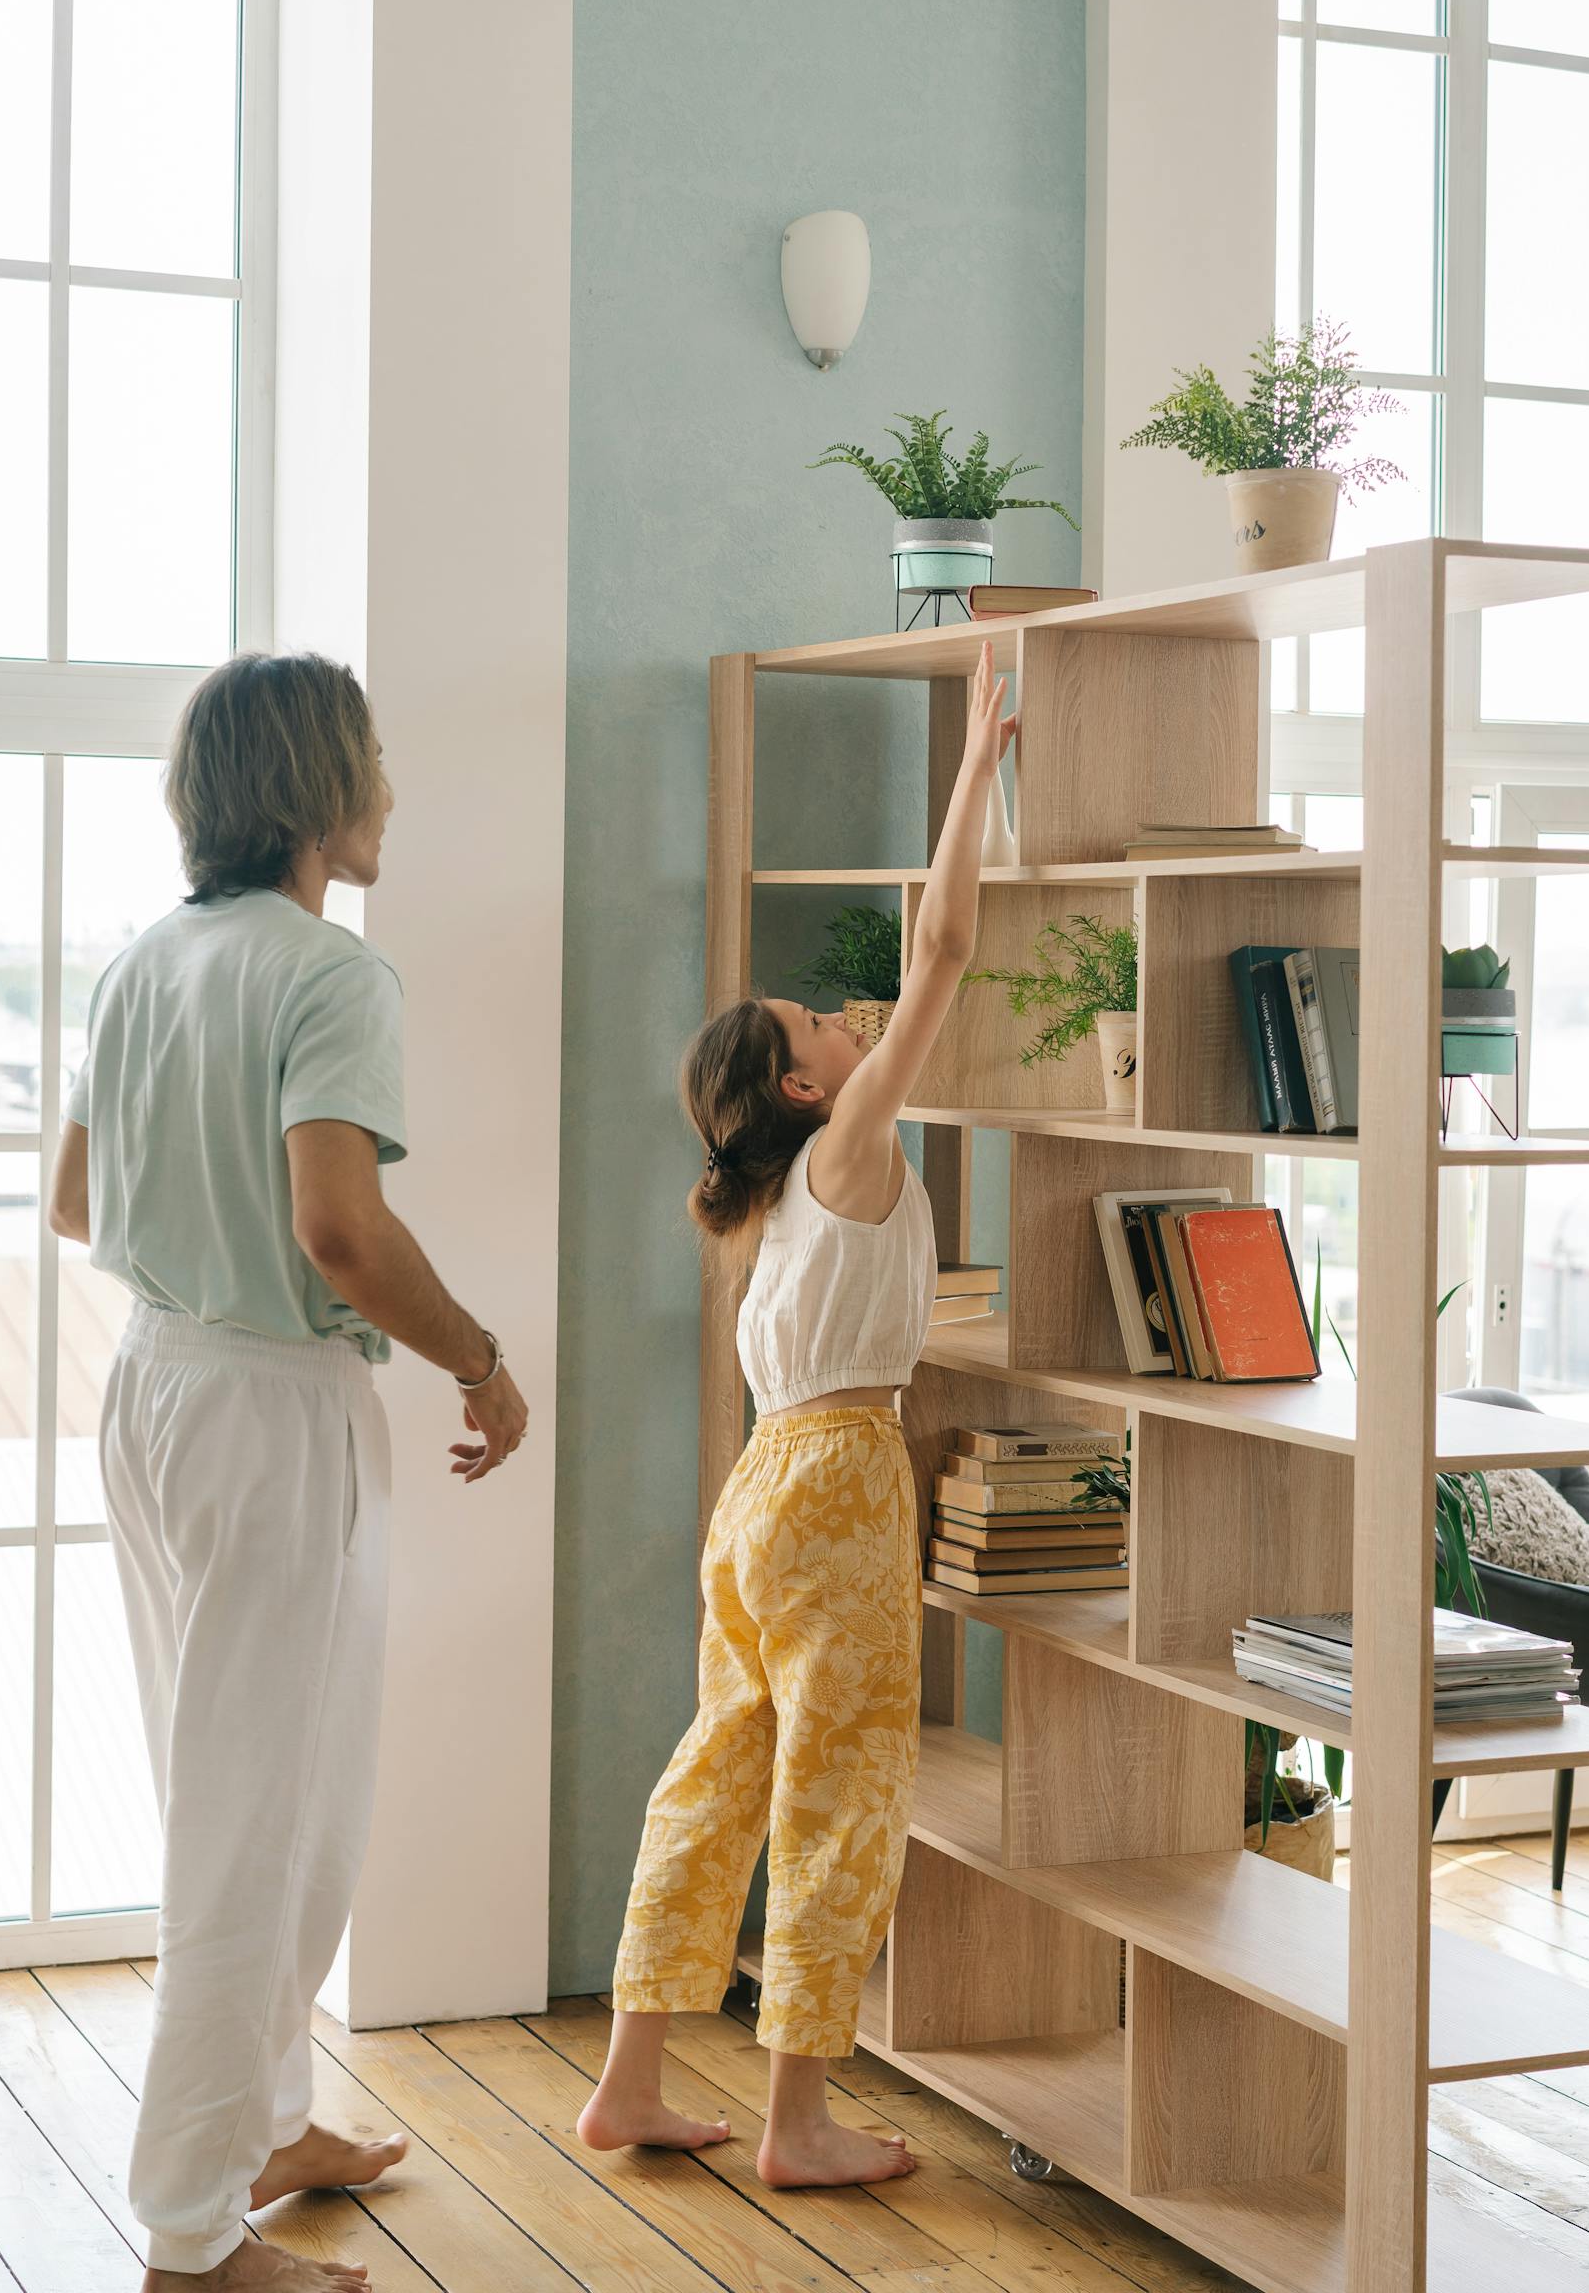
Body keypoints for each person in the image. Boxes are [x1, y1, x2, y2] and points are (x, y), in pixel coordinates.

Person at [49, 653, 529, 2293]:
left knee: (241, 1794)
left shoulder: (144, 963)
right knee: (261, 1826)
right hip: (268, 1408)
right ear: (317, 789)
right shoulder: (329, 976)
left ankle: (265, 2127)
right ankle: (193, 2241)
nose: (391, 790)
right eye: (373, 762)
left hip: (153, 1390)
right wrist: (480, 1358)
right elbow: (339, 1228)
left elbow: (69, 1203)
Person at [578, 640, 1016, 2188]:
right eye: (812, 1026)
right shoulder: (846, 1155)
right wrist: (977, 766)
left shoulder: (772, 1203)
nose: (840, 1020)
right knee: (842, 1790)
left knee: (721, 1773)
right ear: (814, 1090)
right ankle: (796, 2123)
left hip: (764, 1486)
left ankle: (631, 2080)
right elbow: (949, 943)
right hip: (837, 1488)